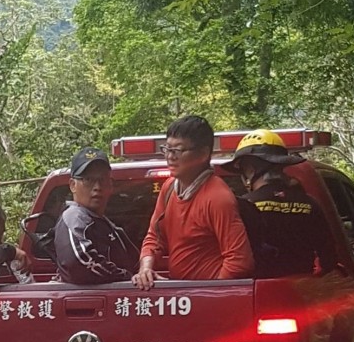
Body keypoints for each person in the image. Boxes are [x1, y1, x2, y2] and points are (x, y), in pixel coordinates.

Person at [133, 115, 254, 290]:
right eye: (167, 149)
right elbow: (154, 237)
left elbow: (239, 261)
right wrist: (145, 269)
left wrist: (210, 294)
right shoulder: (168, 188)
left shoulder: (218, 197)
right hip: (180, 297)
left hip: (205, 299)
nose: (170, 157)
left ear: (203, 154)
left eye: (178, 150)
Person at [222, 129, 336, 277]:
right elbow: (329, 259)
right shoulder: (310, 204)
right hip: (302, 291)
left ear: (250, 169)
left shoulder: (244, 206)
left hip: (257, 291)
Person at [54, 146, 139, 284]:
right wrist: (127, 278)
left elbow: (134, 261)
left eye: (103, 180)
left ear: (111, 185)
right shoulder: (74, 217)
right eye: (88, 180)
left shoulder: (103, 223)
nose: (97, 187)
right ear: (72, 185)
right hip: (84, 303)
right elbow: (79, 263)